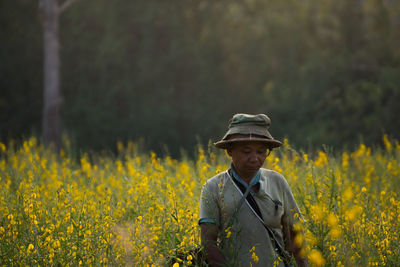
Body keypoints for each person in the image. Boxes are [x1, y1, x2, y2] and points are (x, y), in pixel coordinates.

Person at [199, 114, 308, 267]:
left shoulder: (277, 182)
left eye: (261, 152)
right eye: (246, 152)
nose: (254, 158)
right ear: (230, 151)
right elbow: (208, 243)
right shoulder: (213, 187)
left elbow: (296, 233)